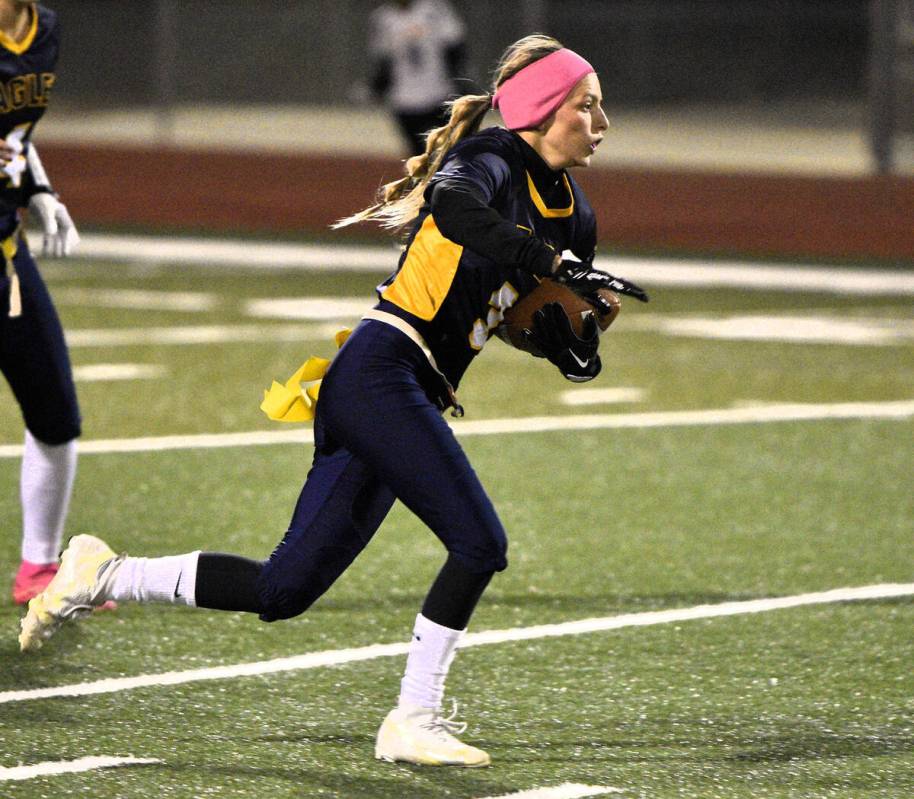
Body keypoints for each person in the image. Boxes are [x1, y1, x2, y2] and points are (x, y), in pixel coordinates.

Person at [18, 34, 648, 768]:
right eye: (587, 105)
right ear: (542, 106)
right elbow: (451, 204)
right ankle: (413, 717)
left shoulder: (578, 218)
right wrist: (543, 259)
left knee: (283, 587)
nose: (601, 123)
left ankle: (105, 571)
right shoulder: (493, 160)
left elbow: (505, 313)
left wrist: (558, 343)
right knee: (481, 543)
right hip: (382, 367)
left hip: (410, 385)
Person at [0, 0, 81, 605]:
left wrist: (41, 188)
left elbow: (16, 136)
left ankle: (40, 570)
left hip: (6, 252)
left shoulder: (42, 28)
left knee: (55, 414)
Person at [368, 0, 467, 155]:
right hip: (405, 99)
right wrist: (377, 88)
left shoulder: (434, 9)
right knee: (418, 155)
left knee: (453, 149)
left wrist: (459, 83)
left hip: (438, 93)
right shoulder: (383, 18)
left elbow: (455, 48)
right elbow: (384, 61)